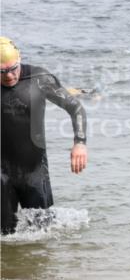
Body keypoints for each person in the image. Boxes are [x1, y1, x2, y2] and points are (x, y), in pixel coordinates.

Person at [1, 37, 88, 235]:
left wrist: (80, 143)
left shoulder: (39, 79)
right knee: (4, 237)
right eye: (2, 71)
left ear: (19, 58)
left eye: (13, 68)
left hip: (35, 173)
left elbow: (76, 108)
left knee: (43, 235)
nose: (9, 76)